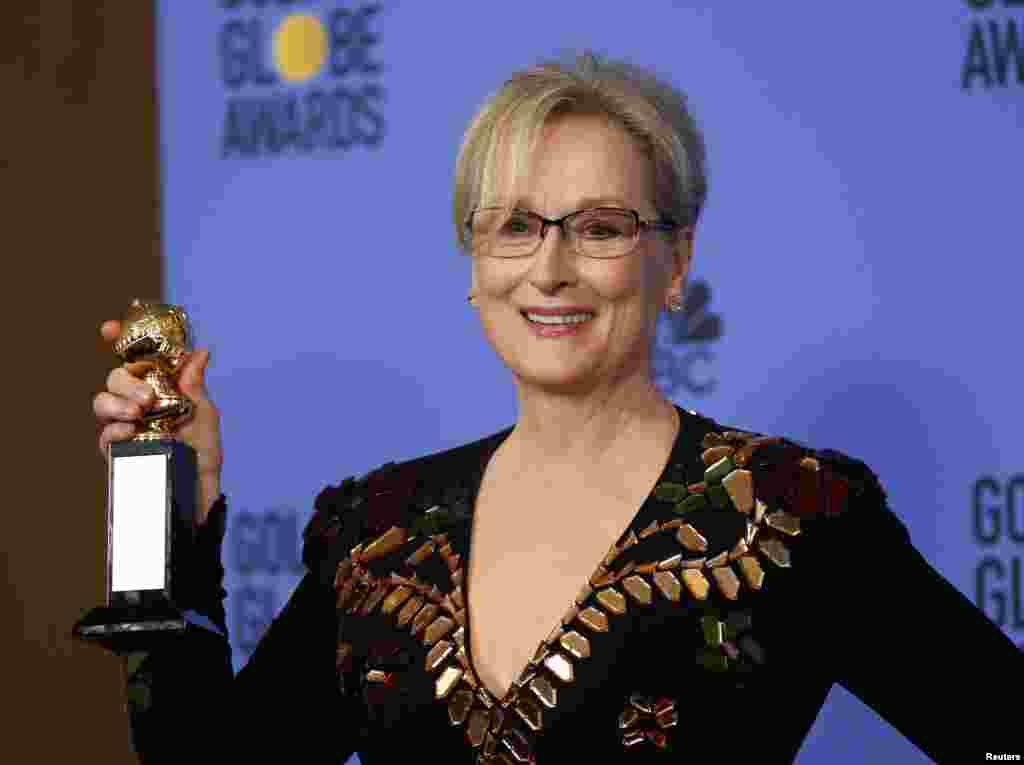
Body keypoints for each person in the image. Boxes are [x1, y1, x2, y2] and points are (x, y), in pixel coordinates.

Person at [91, 51, 1021, 764]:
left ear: (677, 264)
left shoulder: (788, 511)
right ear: (475, 263)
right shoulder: (376, 534)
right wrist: (166, 503)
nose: (551, 267)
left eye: (603, 227)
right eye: (515, 225)